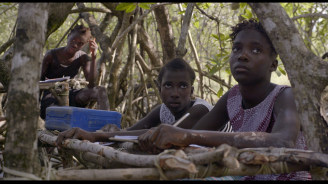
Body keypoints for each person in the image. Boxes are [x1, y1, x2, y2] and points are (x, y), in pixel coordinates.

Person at [137, 19, 311, 180]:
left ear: (273, 64)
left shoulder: (285, 96)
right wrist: (163, 138)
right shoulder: (232, 98)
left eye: (256, 50)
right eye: (236, 48)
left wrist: (186, 134)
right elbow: (196, 134)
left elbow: (283, 141)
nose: (243, 55)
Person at [55, 58, 232, 148]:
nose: (175, 93)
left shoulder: (200, 110)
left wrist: (95, 136)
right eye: (168, 86)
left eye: (183, 86)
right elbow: (130, 133)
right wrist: (93, 135)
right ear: (159, 88)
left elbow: (161, 134)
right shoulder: (163, 110)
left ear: (192, 91)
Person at [40, 24, 110, 120]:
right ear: (68, 36)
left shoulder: (82, 57)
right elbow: (40, 81)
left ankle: (107, 124)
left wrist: (93, 56)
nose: (75, 44)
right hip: (51, 96)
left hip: (71, 94)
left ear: (85, 45)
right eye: (74, 39)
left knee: (100, 90)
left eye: (80, 43)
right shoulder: (51, 55)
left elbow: (91, 85)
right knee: (56, 113)